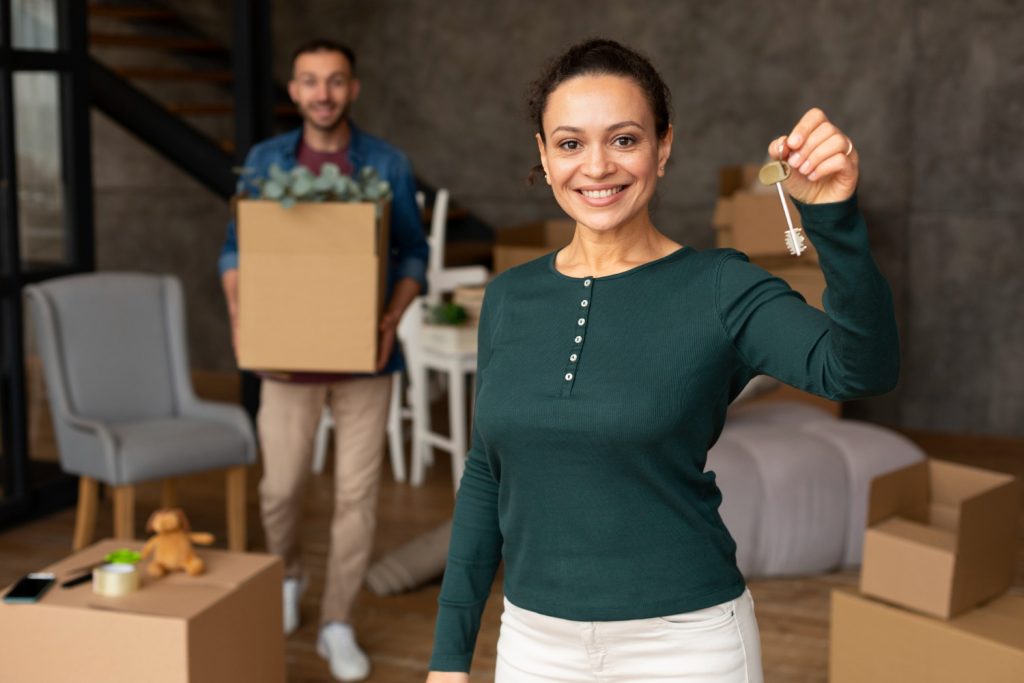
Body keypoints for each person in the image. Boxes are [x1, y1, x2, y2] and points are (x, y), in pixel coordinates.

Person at [426, 38, 898, 682]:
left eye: (623, 139)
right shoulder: (510, 296)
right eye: (569, 144)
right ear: (542, 153)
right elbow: (486, 472)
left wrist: (835, 220)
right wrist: (449, 659)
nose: (596, 166)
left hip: (687, 645)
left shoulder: (720, 286)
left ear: (663, 147)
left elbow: (859, 370)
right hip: (534, 646)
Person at [218, 38, 428, 682]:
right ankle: (288, 577)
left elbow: (412, 256)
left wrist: (392, 317)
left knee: (355, 499)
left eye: (335, 81)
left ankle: (336, 620)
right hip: (284, 362)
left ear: (353, 88)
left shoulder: (386, 163)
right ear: (294, 91)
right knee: (279, 490)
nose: (323, 93)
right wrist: (241, 317)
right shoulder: (264, 161)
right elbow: (235, 249)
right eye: (310, 81)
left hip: (365, 362)